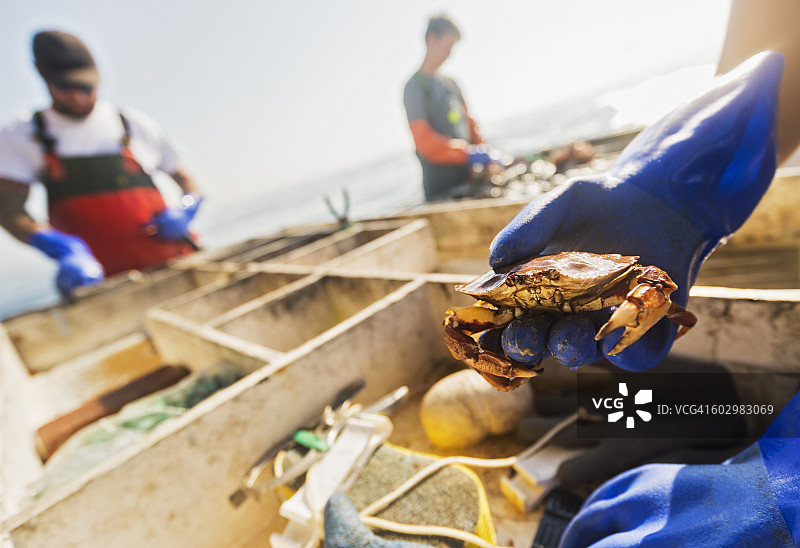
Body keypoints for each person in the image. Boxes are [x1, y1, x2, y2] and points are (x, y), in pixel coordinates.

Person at [0, 30, 203, 297]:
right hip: (103, 287)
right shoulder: (22, 135)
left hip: (176, 262)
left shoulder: (132, 124)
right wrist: (61, 248)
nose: (78, 97)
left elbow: (186, 179)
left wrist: (187, 208)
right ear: (42, 75)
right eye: (65, 87)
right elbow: (8, 209)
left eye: (86, 87)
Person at [402, 14, 496, 202]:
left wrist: (485, 152)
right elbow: (423, 141)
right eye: (447, 46)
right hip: (441, 190)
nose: (450, 54)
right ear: (431, 39)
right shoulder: (414, 87)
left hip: (468, 180)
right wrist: (466, 153)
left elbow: (470, 123)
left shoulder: (451, 84)